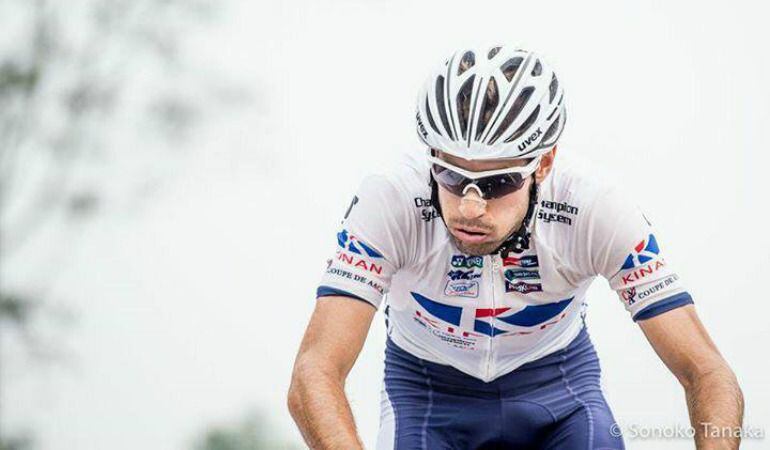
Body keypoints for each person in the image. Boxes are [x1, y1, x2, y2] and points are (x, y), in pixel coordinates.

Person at [287, 45, 743, 449]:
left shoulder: (594, 206)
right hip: (428, 394)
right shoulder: (390, 199)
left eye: (498, 182)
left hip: (558, 392)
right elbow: (315, 373)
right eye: (450, 175)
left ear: (543, 163)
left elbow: (706, 371)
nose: (470, 206)